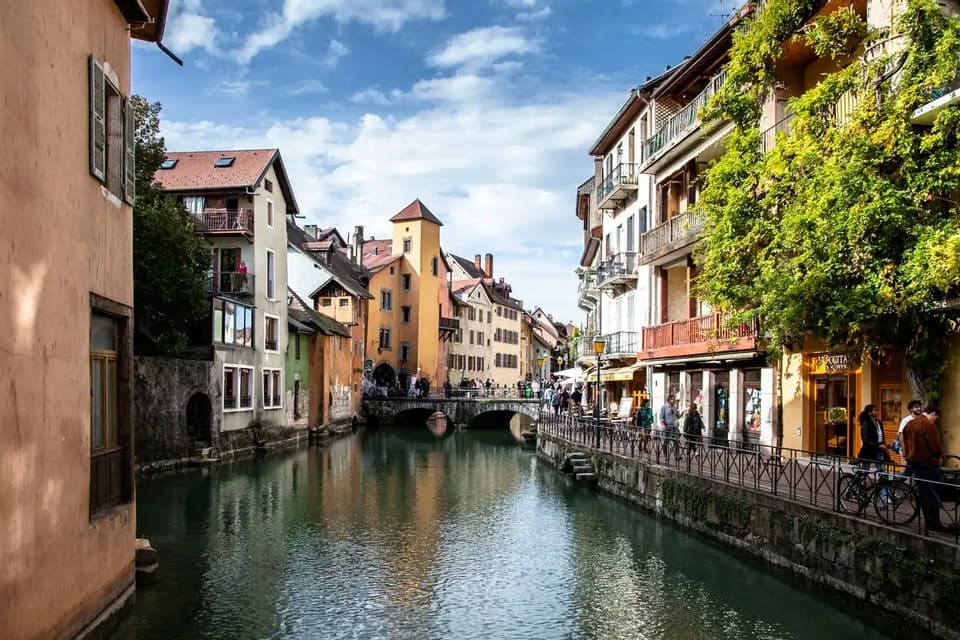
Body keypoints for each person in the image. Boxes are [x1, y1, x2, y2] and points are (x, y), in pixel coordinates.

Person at [902, 405, 952, 533]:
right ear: (933, 414)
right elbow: (934, 445)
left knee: (924, 493)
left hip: (913, 461)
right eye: (936, 417)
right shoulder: (928, 425)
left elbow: (905, 440)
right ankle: (934, 523)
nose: (935, 420)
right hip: (927, 462)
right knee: (933, 492)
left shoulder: (911, 423)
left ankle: (929, 522)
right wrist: (938, 456)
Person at [856, 404, 889, 469]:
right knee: (865, 470)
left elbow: (881, 435)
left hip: (879, 450)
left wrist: (884, 444)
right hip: (868, 450)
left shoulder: (879, 422)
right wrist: (877, 445)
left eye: (877, 410)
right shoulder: (866, 423)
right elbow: (865, 440)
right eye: (875, 410)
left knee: (882, 470)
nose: (877, 412)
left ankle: (883, 479)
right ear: (869, 412)